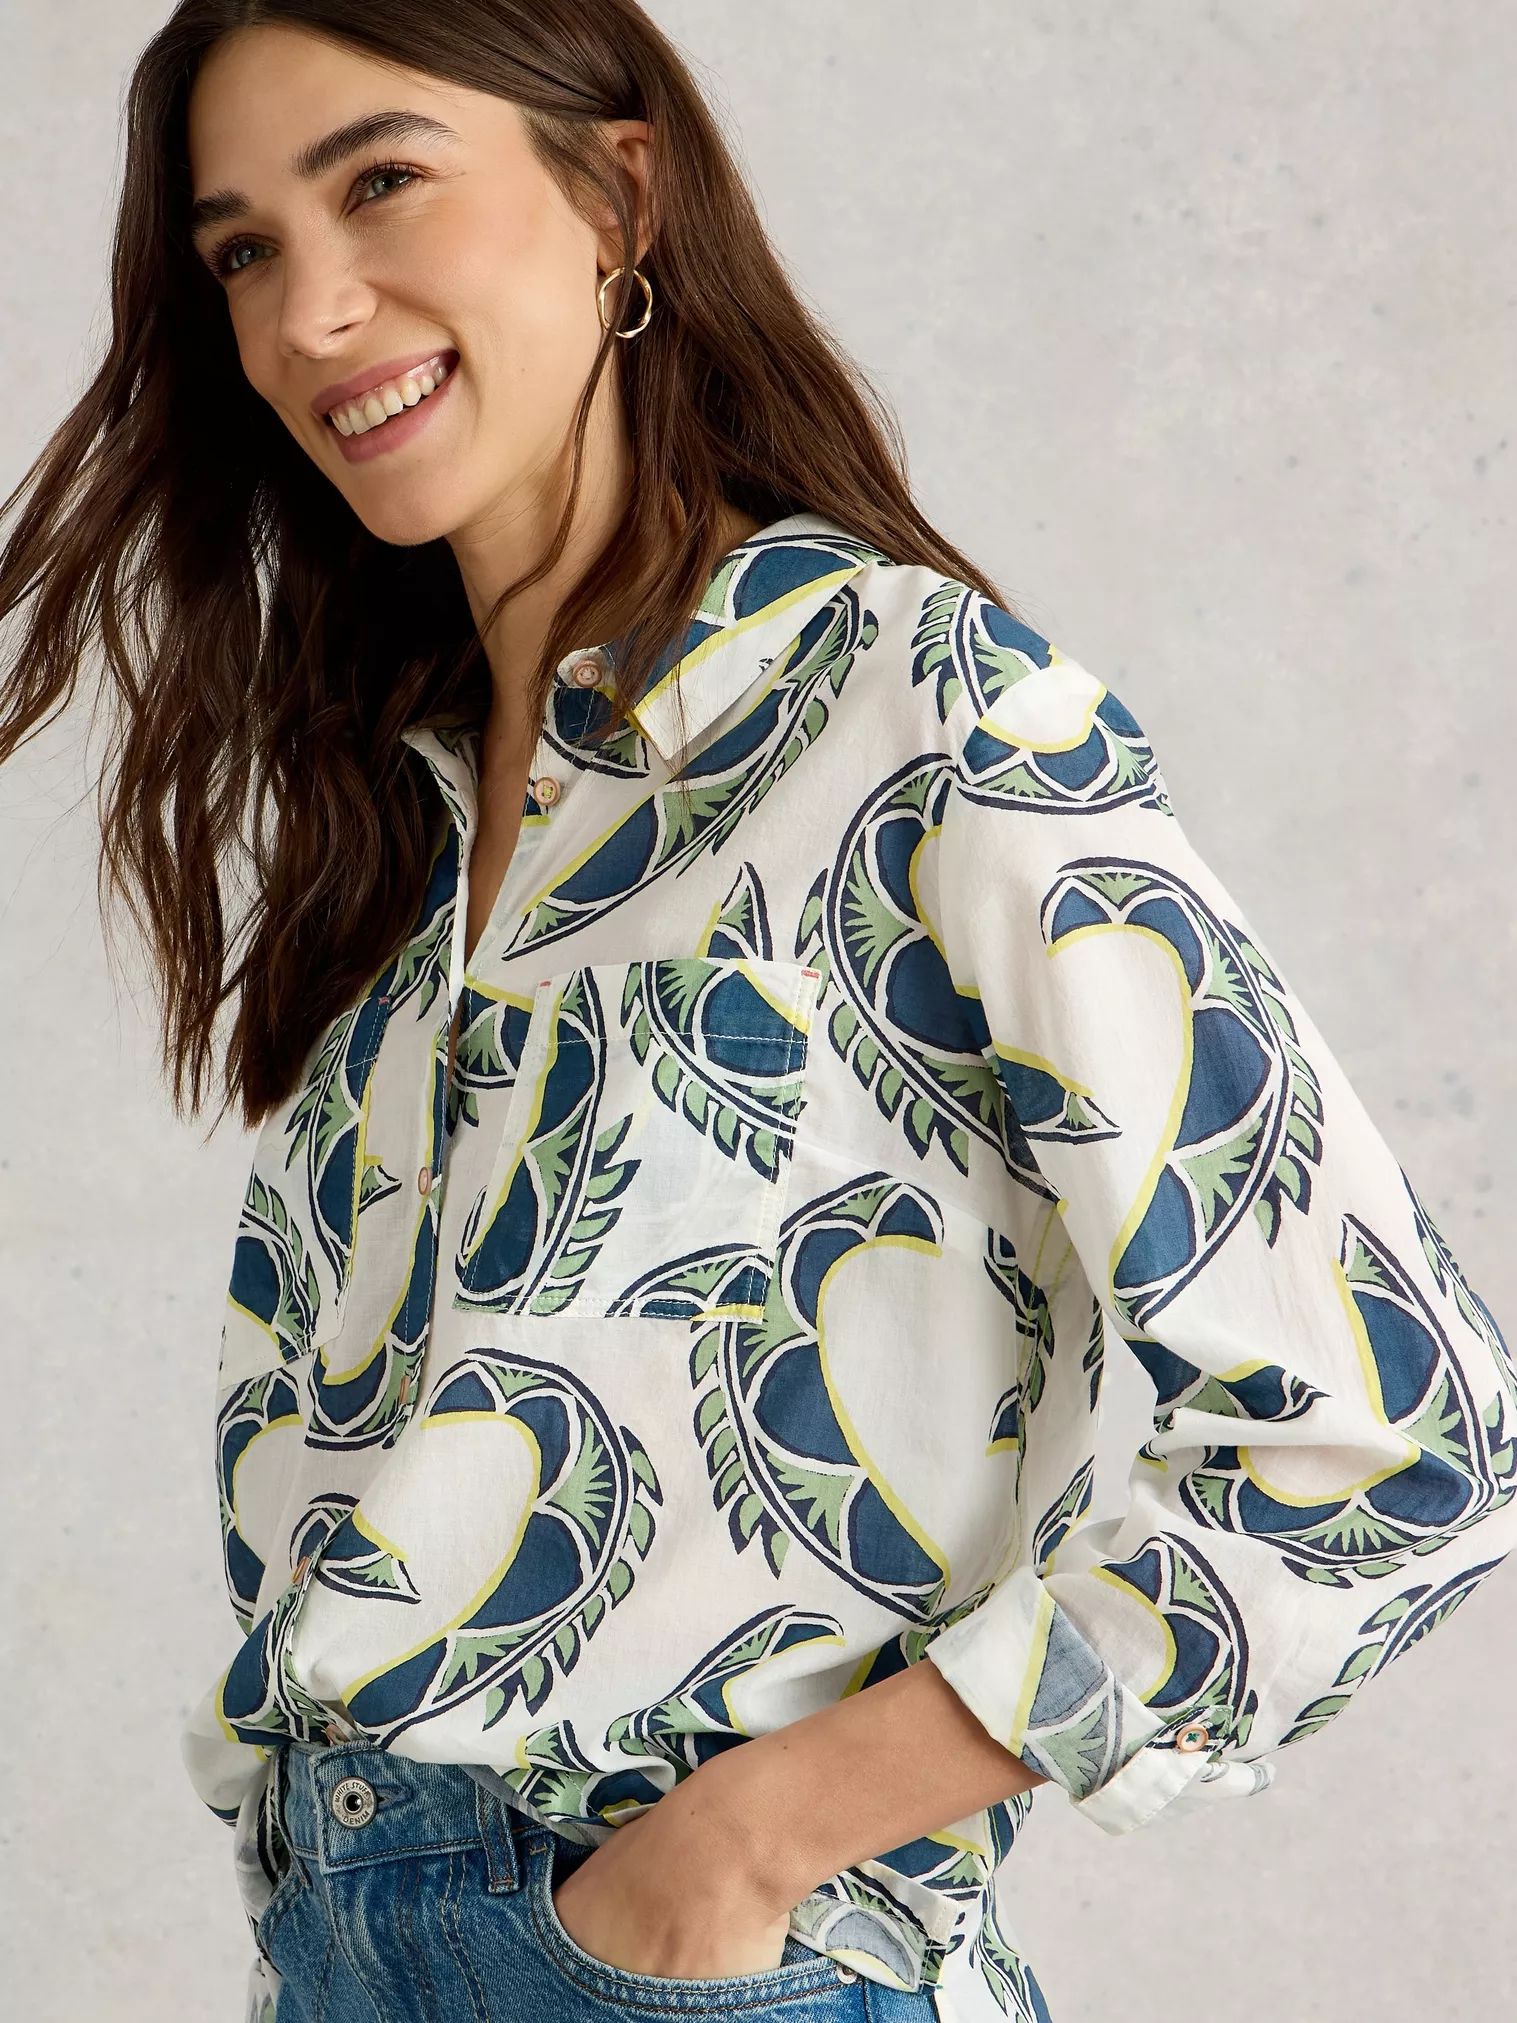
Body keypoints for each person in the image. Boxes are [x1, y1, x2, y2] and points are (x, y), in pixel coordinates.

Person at [3, 4, 1514, 2021]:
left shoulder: (915, 710)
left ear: (619, 194)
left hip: (698, 1961)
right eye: (243, 251)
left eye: (382, 182)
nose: (308, 311)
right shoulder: (404, 828)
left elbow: (1401, 1435)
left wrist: (765, 1835)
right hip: (344, 1941)